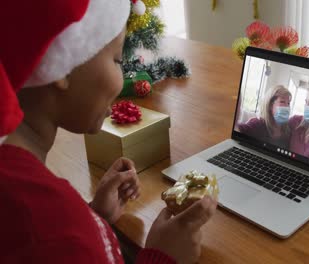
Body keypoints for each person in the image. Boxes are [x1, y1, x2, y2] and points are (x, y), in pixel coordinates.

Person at [0, 1, 217, 263]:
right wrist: (162, 257)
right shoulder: (57, 229)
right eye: (117, 59)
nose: (122, 77)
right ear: (64, 63)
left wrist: (94, 217)